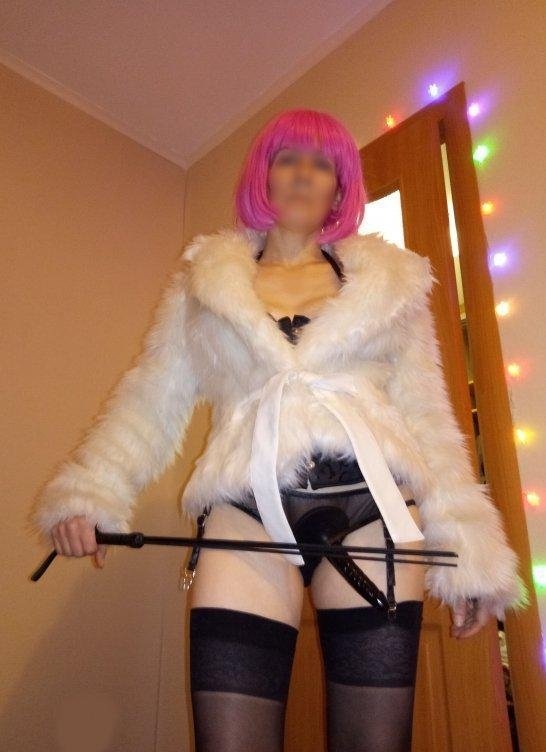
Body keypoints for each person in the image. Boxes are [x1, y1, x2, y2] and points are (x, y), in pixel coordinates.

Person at [30, 109, 529, 751]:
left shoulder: (390, 285)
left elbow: (428, 415)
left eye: (322, 164)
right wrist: (90, 493)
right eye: (288, 158)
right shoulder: (203, 284)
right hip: (246, 511)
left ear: (340, 187)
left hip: (372, 511)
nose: (303, 174)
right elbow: (150, 397)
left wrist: (471, 551)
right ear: (264, 175)